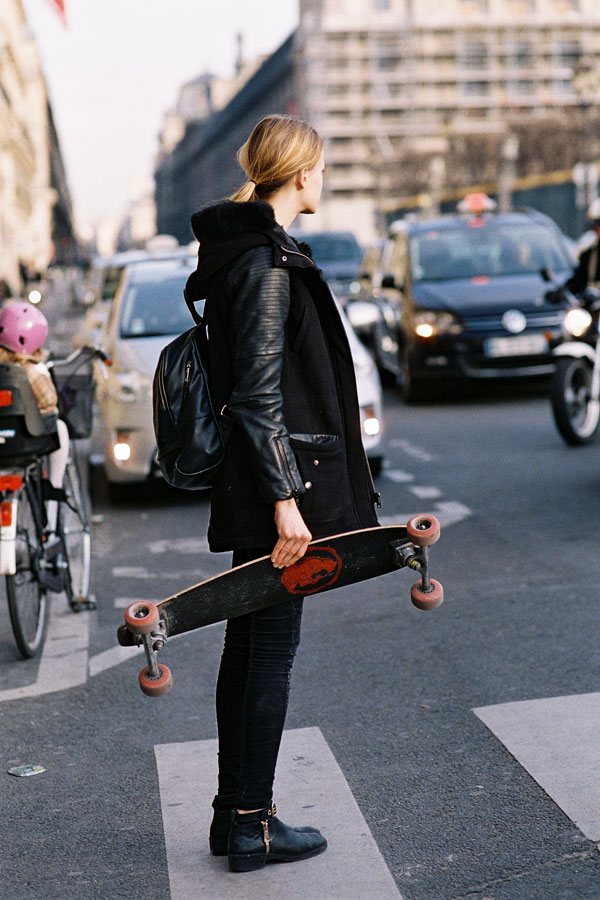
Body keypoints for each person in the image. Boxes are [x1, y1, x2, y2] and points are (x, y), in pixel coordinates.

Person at [184, 114, 380, 873]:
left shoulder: (248, 253)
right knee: (269, 651)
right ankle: (249, 824)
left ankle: (235, 815)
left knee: (253, 644)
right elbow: (261, 396)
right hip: (277, 487)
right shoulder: (265, 263)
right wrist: (286, 500)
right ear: (302, 173)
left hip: (262, 479)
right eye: (321, 168)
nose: (321, 180)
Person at [0, 301, 68, 534]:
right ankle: (54, 494)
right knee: (59, 427)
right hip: (27, 443)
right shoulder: (33, 372)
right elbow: (50, 402)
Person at [565, 197, 600, 294]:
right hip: (593, 308)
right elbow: (578, 281)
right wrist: (563, 291)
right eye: (595, 227)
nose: (597, 230)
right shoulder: (589, 254)